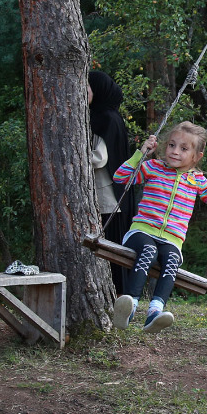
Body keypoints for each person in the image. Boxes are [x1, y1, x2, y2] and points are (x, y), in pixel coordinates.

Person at [110, 122, 207, 333]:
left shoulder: (198, 181)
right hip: (142, 232)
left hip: (172, 239)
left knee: (172, 260)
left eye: (184, 149)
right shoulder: (153, 167)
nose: (175, 152)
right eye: (172, 145)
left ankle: (154, 313)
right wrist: (141, 154)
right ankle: (129, 307)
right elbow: (120, 178)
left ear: (197, 157)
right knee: (149, 251)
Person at [87, 70, 136, 293]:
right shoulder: (112, 116)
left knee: (111, 251)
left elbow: (99, 158)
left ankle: (119, 295)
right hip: (115, 197)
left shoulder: (103, 118)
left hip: (108, 198)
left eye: (86, 89)